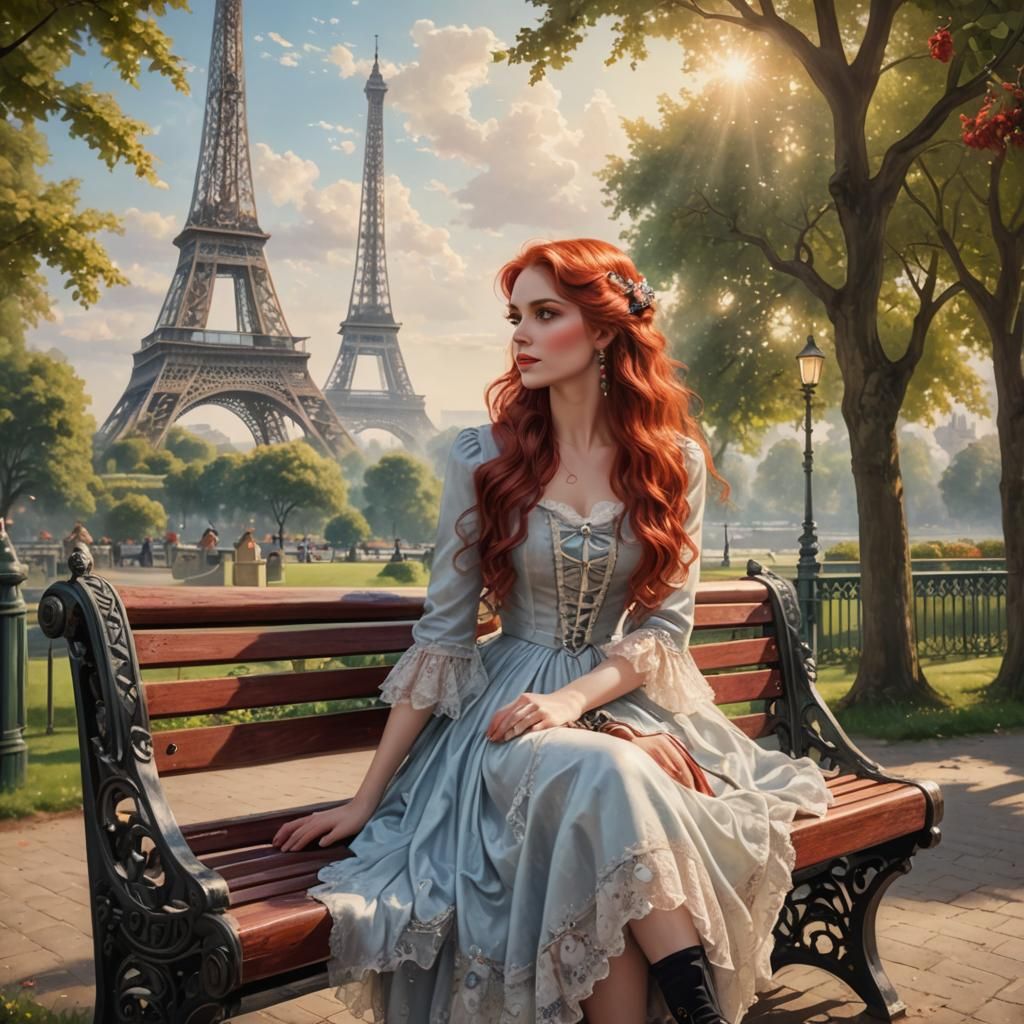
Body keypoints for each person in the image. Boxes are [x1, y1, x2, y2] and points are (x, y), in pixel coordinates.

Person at [272, 239, 834, 1024]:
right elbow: (444, 635)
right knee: (608, 782)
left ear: (604, 332)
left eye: (547, 314)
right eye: (517, 317)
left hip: (611, 701)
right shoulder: (483, 457)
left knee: (605, 792)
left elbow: (666, 628)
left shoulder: (671, 461)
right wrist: (370, 799)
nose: (523, 336)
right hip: (497, 725)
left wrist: (574, 700)